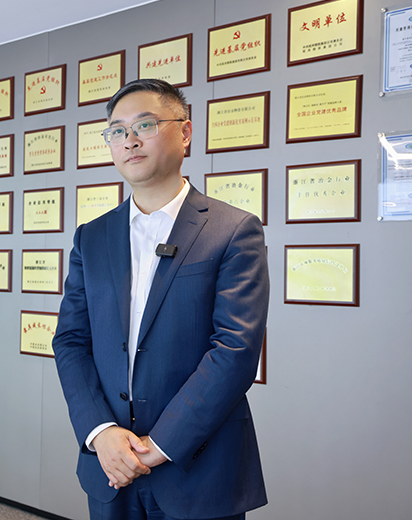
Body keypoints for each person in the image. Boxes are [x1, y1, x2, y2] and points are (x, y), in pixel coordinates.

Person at [52, 79, 269, 520]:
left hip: (199, 466)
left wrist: (160, 444)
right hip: (110, 466)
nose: (129, 140)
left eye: (145, 125)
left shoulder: (232, 230)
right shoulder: (91, 237)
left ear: (185, 133)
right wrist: (101, 432)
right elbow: (71, 341)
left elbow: (235, 349)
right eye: (117, 131)